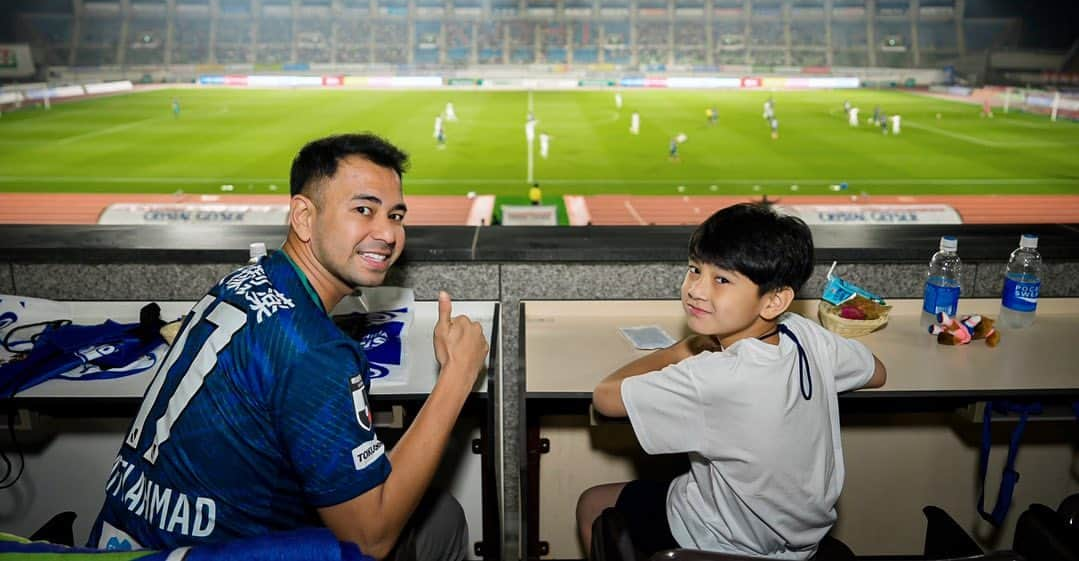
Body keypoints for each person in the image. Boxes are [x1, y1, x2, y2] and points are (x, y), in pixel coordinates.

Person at [88, 134, 488, 561]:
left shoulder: (243, 280)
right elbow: (370, 538)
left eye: (396, 215)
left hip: (123, 546)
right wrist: (457, 376)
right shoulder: (314, 352)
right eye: (363, 210)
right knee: (442, 520)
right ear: (303, 217)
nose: (388, 233)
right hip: (207, 553)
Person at [576, 203, 886, 560]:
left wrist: (681, 351)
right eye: (695, 270)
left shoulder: (713, 377)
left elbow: (605, 398)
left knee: (592, 504)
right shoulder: (806, 333)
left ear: (774, 300)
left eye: (721, 280)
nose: (696, 290)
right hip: (802, 545)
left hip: (720, 541)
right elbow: (876, 372)